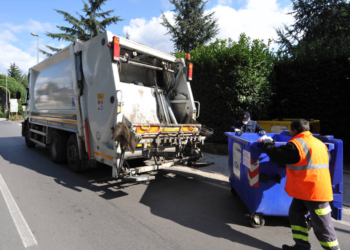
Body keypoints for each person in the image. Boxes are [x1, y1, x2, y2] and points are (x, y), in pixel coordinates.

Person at [262, 119, 339, 250]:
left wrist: (267, 144)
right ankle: (301, 246)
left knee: (323, 228)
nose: (290, 133)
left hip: (314, 193)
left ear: (295, 131)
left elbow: (277, 155)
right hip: (306, 190)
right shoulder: (319, 143)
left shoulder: (297, 144)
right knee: (295, 214)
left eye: (291, 130)